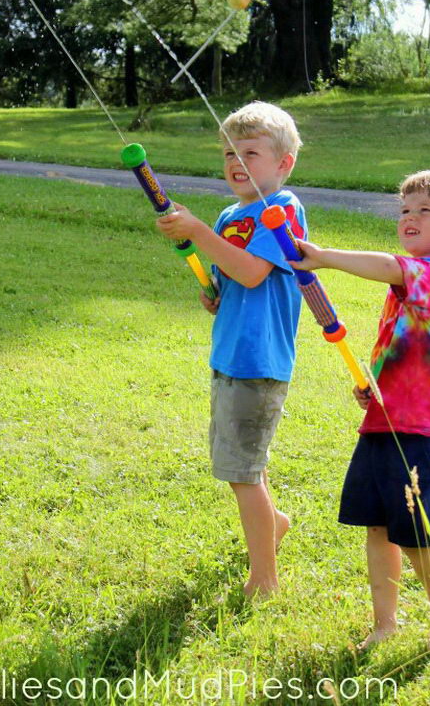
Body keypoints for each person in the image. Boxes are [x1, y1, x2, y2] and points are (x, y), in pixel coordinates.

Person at [290, 168, 430, 650]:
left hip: (425, 425)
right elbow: (401, 346)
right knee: (378, 524)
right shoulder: (408, 284)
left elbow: (392, 266)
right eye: (404, 210)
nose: (409, 217)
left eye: (425, 210)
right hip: (384, 418)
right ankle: (385, 623)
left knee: (416, 530)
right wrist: (374, 387)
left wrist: (325, 257)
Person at [157, 101, 307, 597]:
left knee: (242, 474)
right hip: (231, 354)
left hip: (258, 363)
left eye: (250, 152)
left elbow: (252, 270)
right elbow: (232, 279)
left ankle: (264, 578)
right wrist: (213, 291)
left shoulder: (281, 210)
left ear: (283, 164)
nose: (236, 162)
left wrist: (199, 232)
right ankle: (275, 522)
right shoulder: (231, 213)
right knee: (244, 466)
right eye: (228, 152)